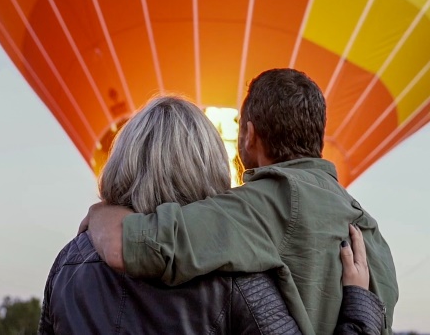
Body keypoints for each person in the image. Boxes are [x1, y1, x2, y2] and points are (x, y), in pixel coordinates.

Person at [85, 69, 399, 335]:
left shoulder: (257, 207)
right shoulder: (369, 231)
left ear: (249, 135)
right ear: (317, 135)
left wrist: (100, 212)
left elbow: (128, 246)